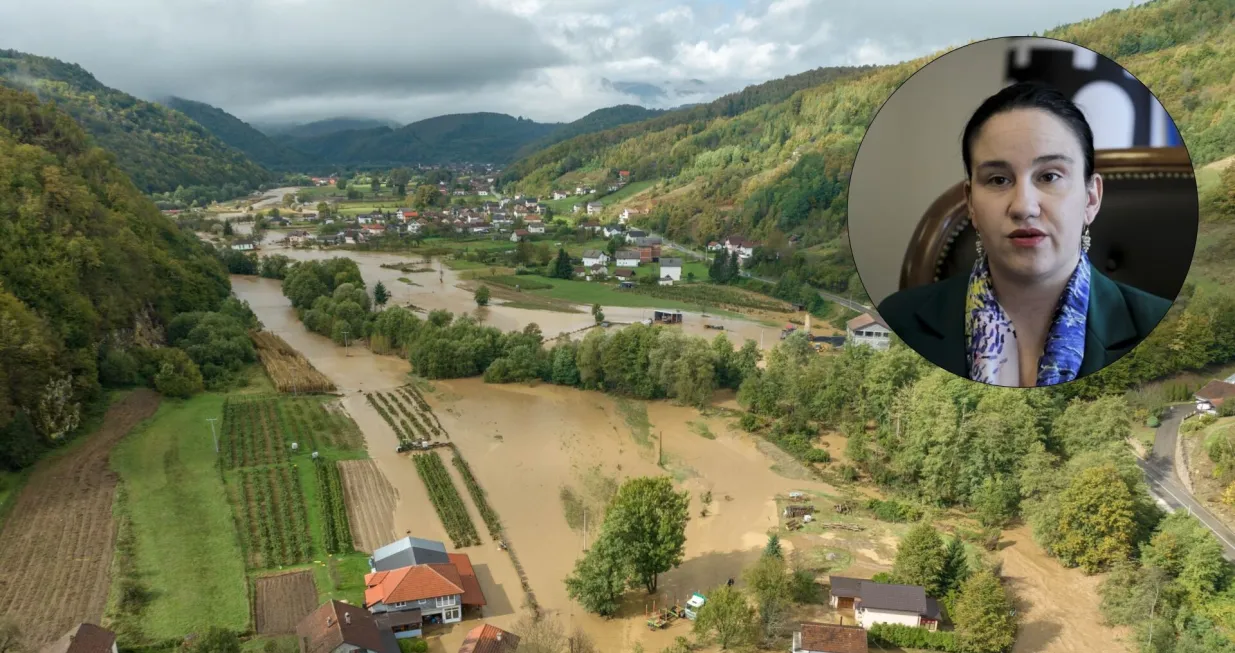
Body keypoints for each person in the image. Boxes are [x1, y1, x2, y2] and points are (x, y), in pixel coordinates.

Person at [877, 81, 1172, 387]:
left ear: (1091, 198)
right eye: (998, 179)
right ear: (971, 204)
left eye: (1049, 176)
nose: (1023, 207)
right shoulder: (898, 321)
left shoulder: (1162, 325)